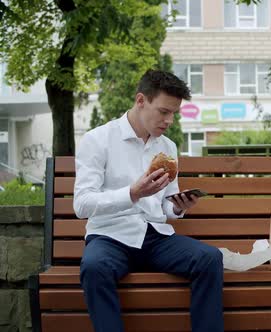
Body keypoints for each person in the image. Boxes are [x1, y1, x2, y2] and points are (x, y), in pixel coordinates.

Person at [73, 70, 223, 332]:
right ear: (141, 100)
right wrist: (132, 193)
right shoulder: (97, 140)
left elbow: (166, 204)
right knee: (94, 267)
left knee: (209, 258)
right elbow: (82, 204)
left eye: (174, 113)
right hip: (110, 236)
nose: (170, 120)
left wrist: (178, 206)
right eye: (164, 111)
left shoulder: (168, 146)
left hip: (156, 237)